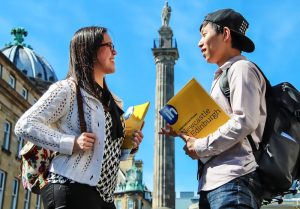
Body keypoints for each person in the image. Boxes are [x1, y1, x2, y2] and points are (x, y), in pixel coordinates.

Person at [15, 26, 144, 209]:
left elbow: (105, 152)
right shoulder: (67, 89)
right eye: (109, 45)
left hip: (105, 196)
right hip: (70, 187)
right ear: (89, 50)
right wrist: (70, 142)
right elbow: (24, 125)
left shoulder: (115, 101)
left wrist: (129, 145)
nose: (115, 51)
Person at [160, 9, 266, 209]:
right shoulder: (222, 76)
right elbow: (220, 124)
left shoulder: (241, 69)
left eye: (204, 34)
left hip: (234, 179)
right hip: (214, 184)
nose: (199, 43)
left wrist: (199, 147)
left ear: (225, 34)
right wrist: (184, 130)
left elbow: (244, 121)